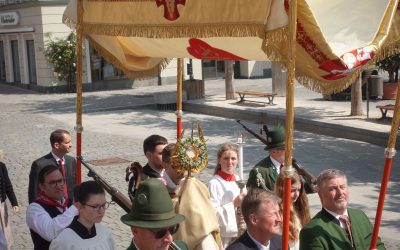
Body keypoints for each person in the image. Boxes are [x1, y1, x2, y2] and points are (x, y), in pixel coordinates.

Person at [299, 169, 386, 250]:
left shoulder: (360, 216)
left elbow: (378, 244)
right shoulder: (311, 231)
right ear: (320, 194)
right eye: (333, 189)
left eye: (342, 187)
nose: (340, 193)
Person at [162, 143, 222, 250]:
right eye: (176, 164)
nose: (181, 169)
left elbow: (209, 217)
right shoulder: (159, 187)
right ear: (165, 165)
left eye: (183, 163)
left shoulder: (197, 185)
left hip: (203, 241)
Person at [120, 178, 188, 250]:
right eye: (160, 233)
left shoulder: (182, 247)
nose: (169, 239)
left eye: (172, 229)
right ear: (135, 231)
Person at [246, 126, 314, 193]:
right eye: (286, 149)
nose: (290, 151)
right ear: (273, 151)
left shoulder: (294, 167)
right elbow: (253, 198)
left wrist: (308, 179)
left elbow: (303, 190)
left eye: (291, 148)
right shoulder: (259, 172)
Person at [50, 181, 116, 249]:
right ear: (79, 206)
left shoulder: (105, 234)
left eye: (103, 205)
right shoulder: (64, 242)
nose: (101, 211)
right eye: (95, 206)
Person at [26, 165, 78, 250]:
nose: (58, 186)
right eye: (52, 182)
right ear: (42, 186)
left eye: (60, 181)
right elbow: (50, 233)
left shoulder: (71, 203)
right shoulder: (34, 209)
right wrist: (75, 208)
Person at [208, 143, 245, 248]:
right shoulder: (214, 183)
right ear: (219, 161)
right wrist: (233, 204)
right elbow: (212, 214)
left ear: (238, 160)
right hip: (224, 237)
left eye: (233, 158)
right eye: (226, 158)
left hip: (241, 231)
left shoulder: (239, 180)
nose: (230, 162)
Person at [28, 129, 77, 203]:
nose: (71, 145)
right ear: (56, 145)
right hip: (50, 209)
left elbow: (74, 185)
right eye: (67, 142)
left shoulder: (71, 161)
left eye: (70, 142)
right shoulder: (39, 165)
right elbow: (34, 192)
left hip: (70, 208)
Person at [275, 172, 311, 250]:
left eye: (298, 190)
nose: (297, 194)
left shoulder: (300, 208)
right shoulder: (276, 212)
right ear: (282, 189)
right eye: (292, 190)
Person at [0, 161, 20, 250]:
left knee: (4, 235)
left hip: (1, 205)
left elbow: (8, 185)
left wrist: (14, 203)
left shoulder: (1, 166)